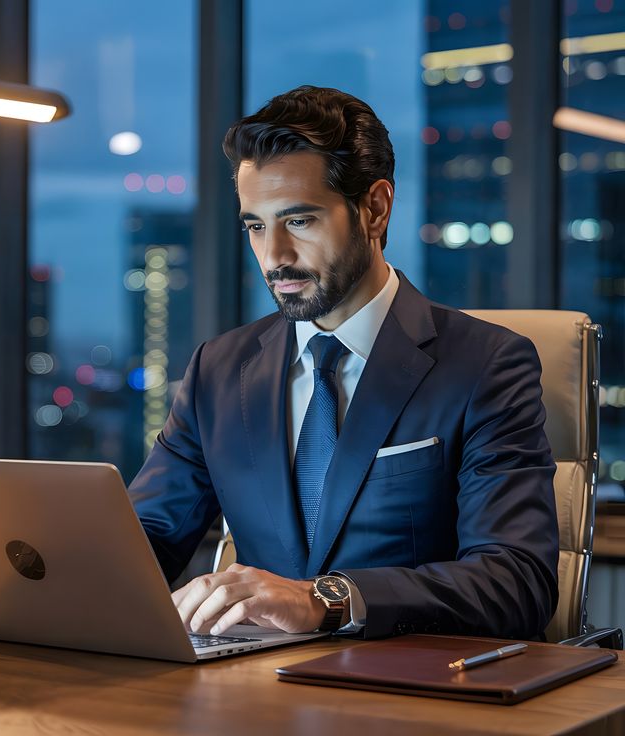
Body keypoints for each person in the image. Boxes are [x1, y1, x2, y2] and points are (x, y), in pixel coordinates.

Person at [129, 85, 559, 640]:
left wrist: (326, 599)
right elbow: (147, 535)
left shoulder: (486, 365)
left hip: (415, 696)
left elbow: (516, 580)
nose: (273, 256)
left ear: (375, 208)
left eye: (299, 222)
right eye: (256, 226)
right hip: (253, 694)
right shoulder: (219, 369)